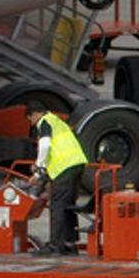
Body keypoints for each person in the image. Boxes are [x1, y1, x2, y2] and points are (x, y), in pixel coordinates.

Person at [25, 100, 88, 255]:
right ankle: (69, 243)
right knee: (68, 205)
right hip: (77, 164)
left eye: (31, 120)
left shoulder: (44, 122)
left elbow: (45, 145)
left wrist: (38, 170)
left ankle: (55, 245)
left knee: (57, 205)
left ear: (35, 115)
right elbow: (58, 148)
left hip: (65, 167)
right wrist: (42, 170)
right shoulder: (57, 121)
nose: (32, 124)